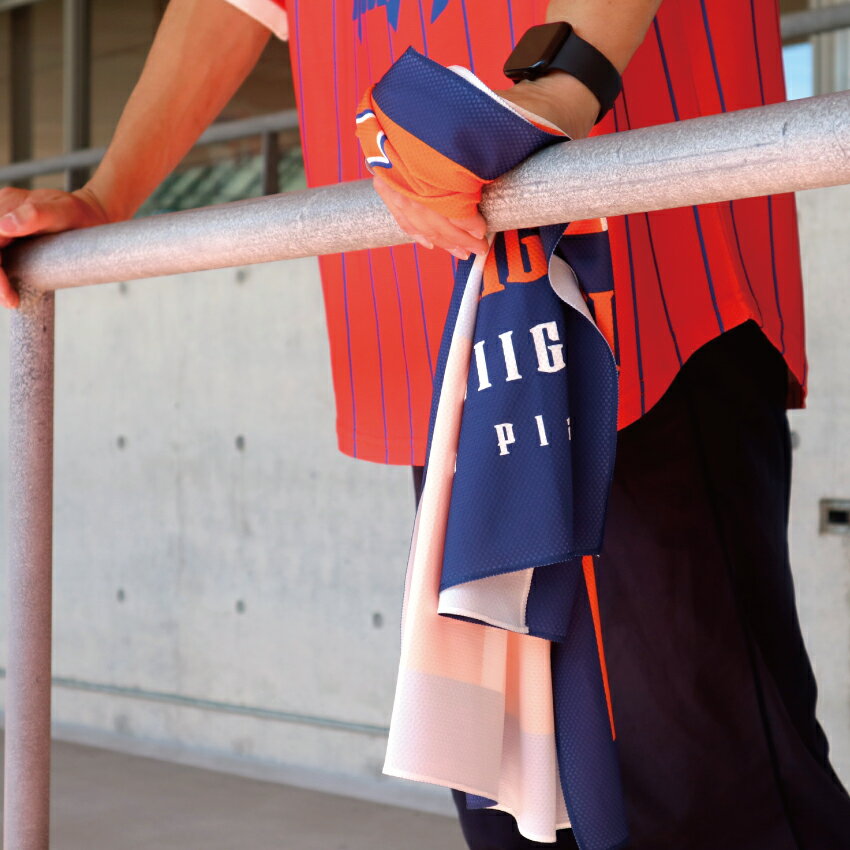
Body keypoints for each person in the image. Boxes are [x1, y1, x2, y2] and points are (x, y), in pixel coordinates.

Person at [1, 1, 848, 848]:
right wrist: (106, 196)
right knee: (506, 784)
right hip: (437, 314)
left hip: (635, 276)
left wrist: (558, 86)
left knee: (706, 781)